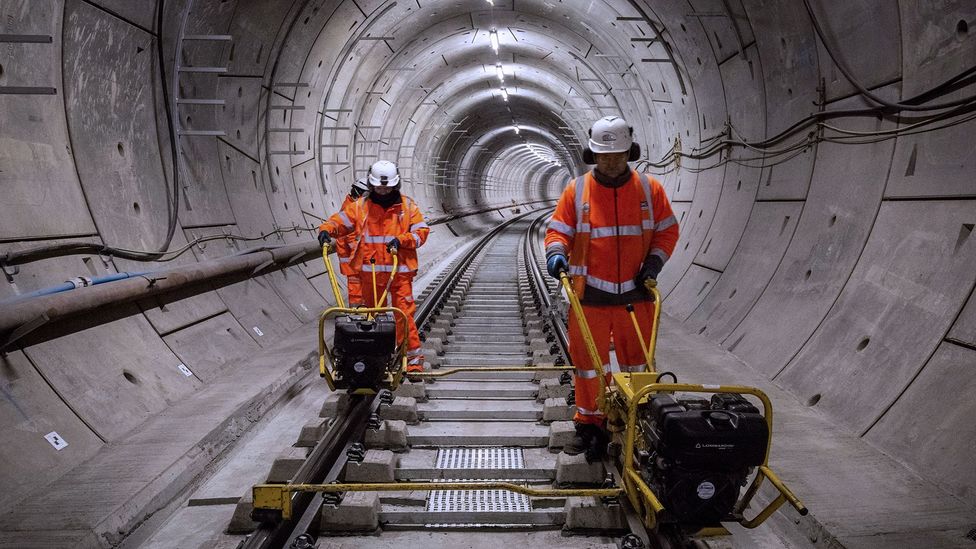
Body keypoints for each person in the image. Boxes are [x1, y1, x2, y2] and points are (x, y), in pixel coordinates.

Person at [544, 116, 679, 461]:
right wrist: (557, 253)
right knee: (589, 366)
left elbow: (667, 231)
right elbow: (558, 230)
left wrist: (654, 263)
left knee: (639, 365)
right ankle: (590, 426)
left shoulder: (650, 190)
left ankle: (640, 424)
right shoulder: (577, 191)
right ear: (593, 155)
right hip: (590, 297)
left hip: (636, 297)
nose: (611, 161)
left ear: (629, 152)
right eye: (604, 156)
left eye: (618, 155)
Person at [318, 160, 429, 373]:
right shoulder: (360, 207)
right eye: (379, 187)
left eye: (387, 187)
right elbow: (339, 221)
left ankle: (413, 361)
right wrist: (326, 230)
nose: (383, 191)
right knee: (370, 318)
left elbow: (421, 233)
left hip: (399, 273)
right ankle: (374, 359)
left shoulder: (407, 207)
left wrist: (402, 240)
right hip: (370, 274)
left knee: (403, 315)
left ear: (395, 185)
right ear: (371, 184)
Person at [334, 177, 370, 305]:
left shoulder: (353, 206)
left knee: (362, 286)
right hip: (352, 258)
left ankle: (363, 310)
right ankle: (357, 313)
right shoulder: (351, 208)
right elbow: (351, 237)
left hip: (355, 257)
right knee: (356, 288)